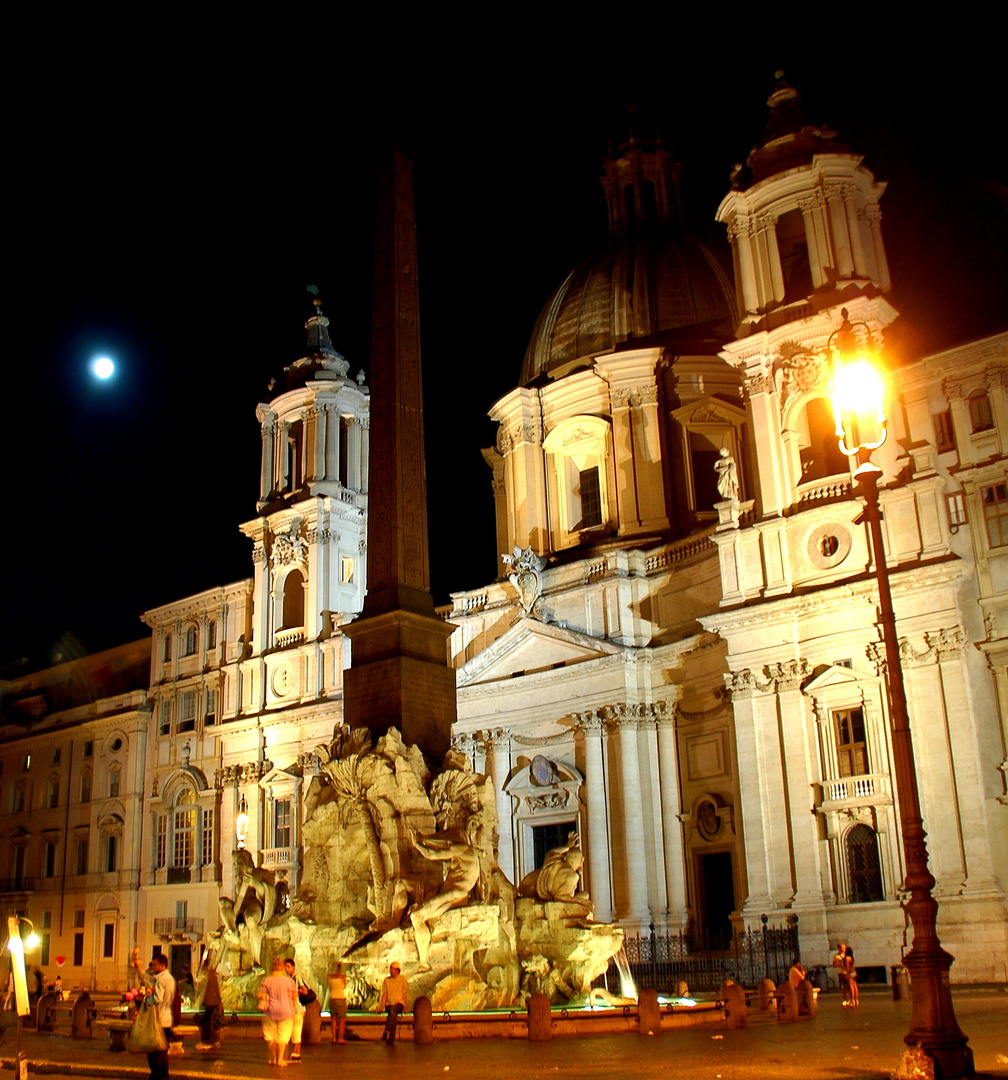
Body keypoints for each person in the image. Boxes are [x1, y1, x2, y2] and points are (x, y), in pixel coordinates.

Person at [134, 953, 175, 1080]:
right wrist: (138, 968)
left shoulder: (161, 980)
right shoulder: (169, 978)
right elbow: (147, 980)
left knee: (154, 1053)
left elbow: (157, 999)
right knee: (162, 1053)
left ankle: (157, 1077)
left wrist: (146, 999)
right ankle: (163, 1076)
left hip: (159, 1020)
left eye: (155, 965)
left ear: (162, 965)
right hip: (167, 1019)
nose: (152, 967)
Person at [258, 956, 296, 1067]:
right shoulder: (289, 981)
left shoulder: (266, 980)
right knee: (283, 1038)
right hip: (286, 1012)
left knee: (270, 1037)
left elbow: (260, 994)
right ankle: (280, 1060)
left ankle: (272, 1058)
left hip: (270, 1011)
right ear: (283, 968)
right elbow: (294, 996)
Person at [377, 962, 409, 1045]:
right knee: (393, 1013)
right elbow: (385, 994)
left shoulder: (402, 979)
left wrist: (405, 1006)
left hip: (399, 1003)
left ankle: (386, 1031)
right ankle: (391, 1038)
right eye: (390, 968)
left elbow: (404, 994)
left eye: (392, 969)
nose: (390, 970)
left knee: (393, 1011)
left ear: (397, 970)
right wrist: (381, 1006)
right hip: (389, 1004)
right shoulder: (387, 980)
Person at [196, 960, 223, 1050]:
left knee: (209, 1023)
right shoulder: (212, 975)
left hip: (209, 1002)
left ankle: (210, 1040)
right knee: (212, 1022)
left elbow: (208, 990)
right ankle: (213, 1040)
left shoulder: (207, 976)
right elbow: (217, 990)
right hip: (212, 1002)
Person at [283, 958, 304, 1062]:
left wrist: (296, 991)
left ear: (293, 967)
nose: (287, 969)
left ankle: (297, 1053)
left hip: (298, 1009)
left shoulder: (297, 977)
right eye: (285, 967)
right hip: (293, 1009)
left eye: (288, 967)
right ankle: (295, 1053)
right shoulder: (290, 979)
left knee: (296, 1031)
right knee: (294, 1031)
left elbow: (305, 991)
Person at [328, 964, 347, 1045]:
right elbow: (344, 986)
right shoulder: (343, 977)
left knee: (334, 1019)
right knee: (342, 1019)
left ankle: (334, 1038)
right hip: (340, 998)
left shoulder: (329, 977)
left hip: (332, 998)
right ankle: (340, 1038)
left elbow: (329, 987)